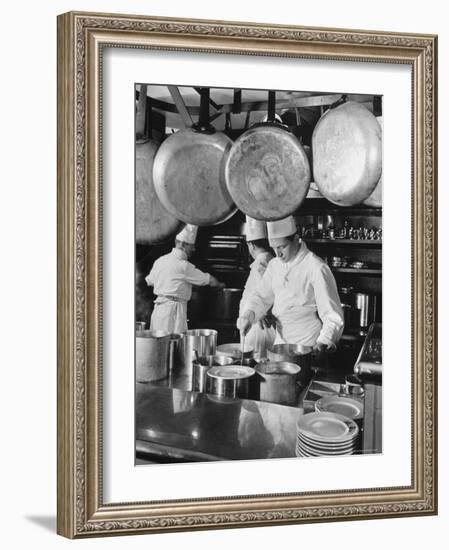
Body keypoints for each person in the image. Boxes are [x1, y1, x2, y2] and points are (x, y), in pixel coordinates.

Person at [237, 216, 344, 352]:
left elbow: (332, 315)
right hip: (280, 343)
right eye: (274, 248)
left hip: (307, 343)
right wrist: (249, 315)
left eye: (282, 247)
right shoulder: (274, 265)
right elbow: (261, 297)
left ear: (296, 239)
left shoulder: (316, 267)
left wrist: (324, 341)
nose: (278, 254)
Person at [146, 224, 224, 334]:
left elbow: (150, 281)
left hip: (159, 311)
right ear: (183, 245)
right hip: (173, 313)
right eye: (191, 245)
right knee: (172, 345)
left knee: (158, 346)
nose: (194, 248)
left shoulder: (159, 261)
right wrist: (221, 285)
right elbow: (210, 280)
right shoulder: (184, 266)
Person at [239, 216, 276, 358]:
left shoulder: (261, 264)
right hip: (256, 323)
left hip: (258, 328)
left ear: (251, 245)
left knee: (257, 364)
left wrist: (263, 313)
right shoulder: (270, 260)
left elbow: (264, 294)